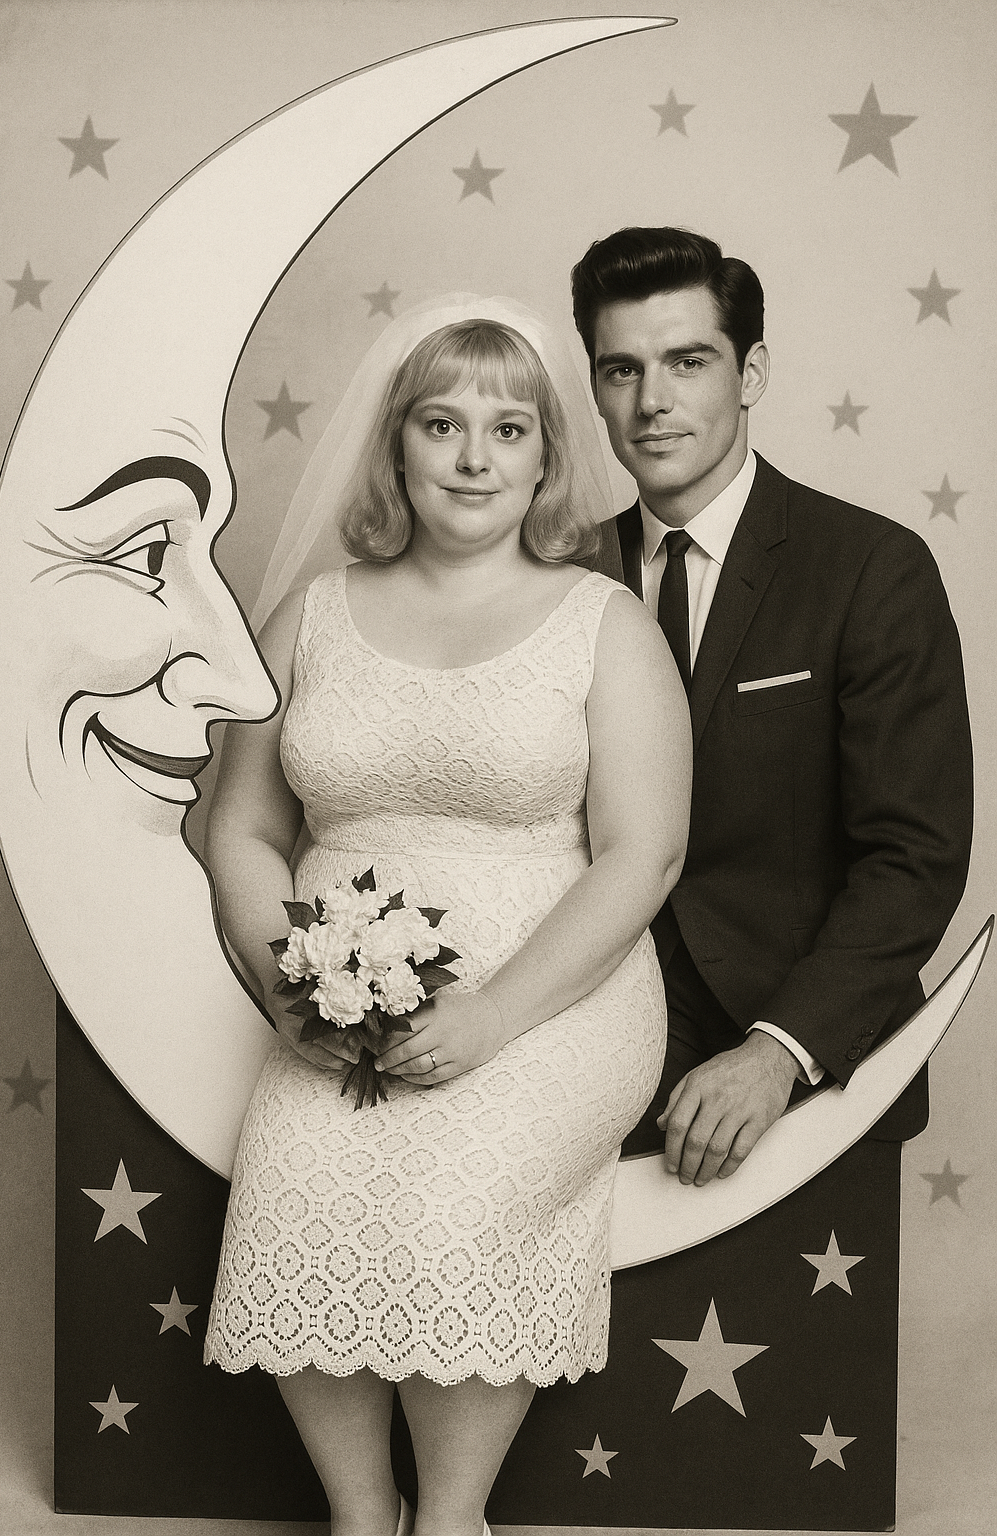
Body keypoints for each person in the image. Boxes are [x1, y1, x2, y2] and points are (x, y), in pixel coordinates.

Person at [203, 306, 691, 1536]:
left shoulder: (604, 623)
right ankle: (362, 1518)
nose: (473, 458)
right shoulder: (309, 616)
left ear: (542, 459)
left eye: (507, 429)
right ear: (397, 450)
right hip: (338, 1000)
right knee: (293, 1179)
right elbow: (244, 832)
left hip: (552, 997)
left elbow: (646, 853)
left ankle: (452, 1518)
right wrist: (290, 990)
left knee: (450, 1205)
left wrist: (492, 1016)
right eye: (442, 425)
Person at [572, 225, 973, 1183]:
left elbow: (913, 857)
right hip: (578, 1082)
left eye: (688, 361)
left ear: (750, 373)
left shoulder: (870, 569)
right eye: (620, 369)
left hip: (812, 1087)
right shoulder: (557, 574)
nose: (653, 401)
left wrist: (777, 1052)